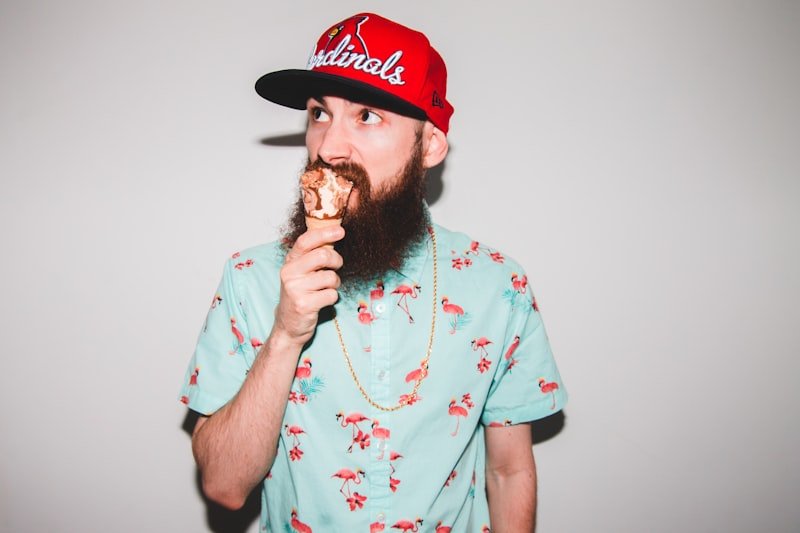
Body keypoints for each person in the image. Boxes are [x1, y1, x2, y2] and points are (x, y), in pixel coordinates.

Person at [179, 12, 567, 533]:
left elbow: (509, 468)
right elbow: (224, 488)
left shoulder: (498, 286)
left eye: (367, 116)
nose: (329, 147)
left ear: (428, 146)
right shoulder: (250, 278)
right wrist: (285, 335)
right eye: (320, 113)